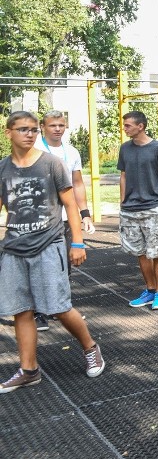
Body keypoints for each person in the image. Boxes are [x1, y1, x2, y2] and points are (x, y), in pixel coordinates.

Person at [0, 111, 104, 393]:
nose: (30, 134)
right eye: (23, 129)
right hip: (13, 248)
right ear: (9, 133)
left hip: (48, 244)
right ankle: (29, 370)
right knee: (21, 311)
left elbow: (70, 204)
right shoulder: (3, 168)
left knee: (58, 307)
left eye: (34, 129)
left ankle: (90, 347)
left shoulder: (52, 164)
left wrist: (78, 242)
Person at [33, 110, 96, 332]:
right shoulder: (34, 150)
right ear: (43, 126)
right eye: (53, 125)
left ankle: (58, 306)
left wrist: (85, 213)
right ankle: (38, 311)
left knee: (64, 263)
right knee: (38, 262)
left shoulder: (71, 151)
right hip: (40, 217)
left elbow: (77, 184)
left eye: (61, 125)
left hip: (66, 217)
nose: (58, 129)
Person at [118, 111, 158, 311]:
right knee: (140, 252)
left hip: (152, 208)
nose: (124, 128)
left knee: (157, 252)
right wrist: (122, 201)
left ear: (140, 126)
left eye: (128, 125)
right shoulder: (125, 148)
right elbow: (123, 175)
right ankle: (150, 290)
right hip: (130, 209)